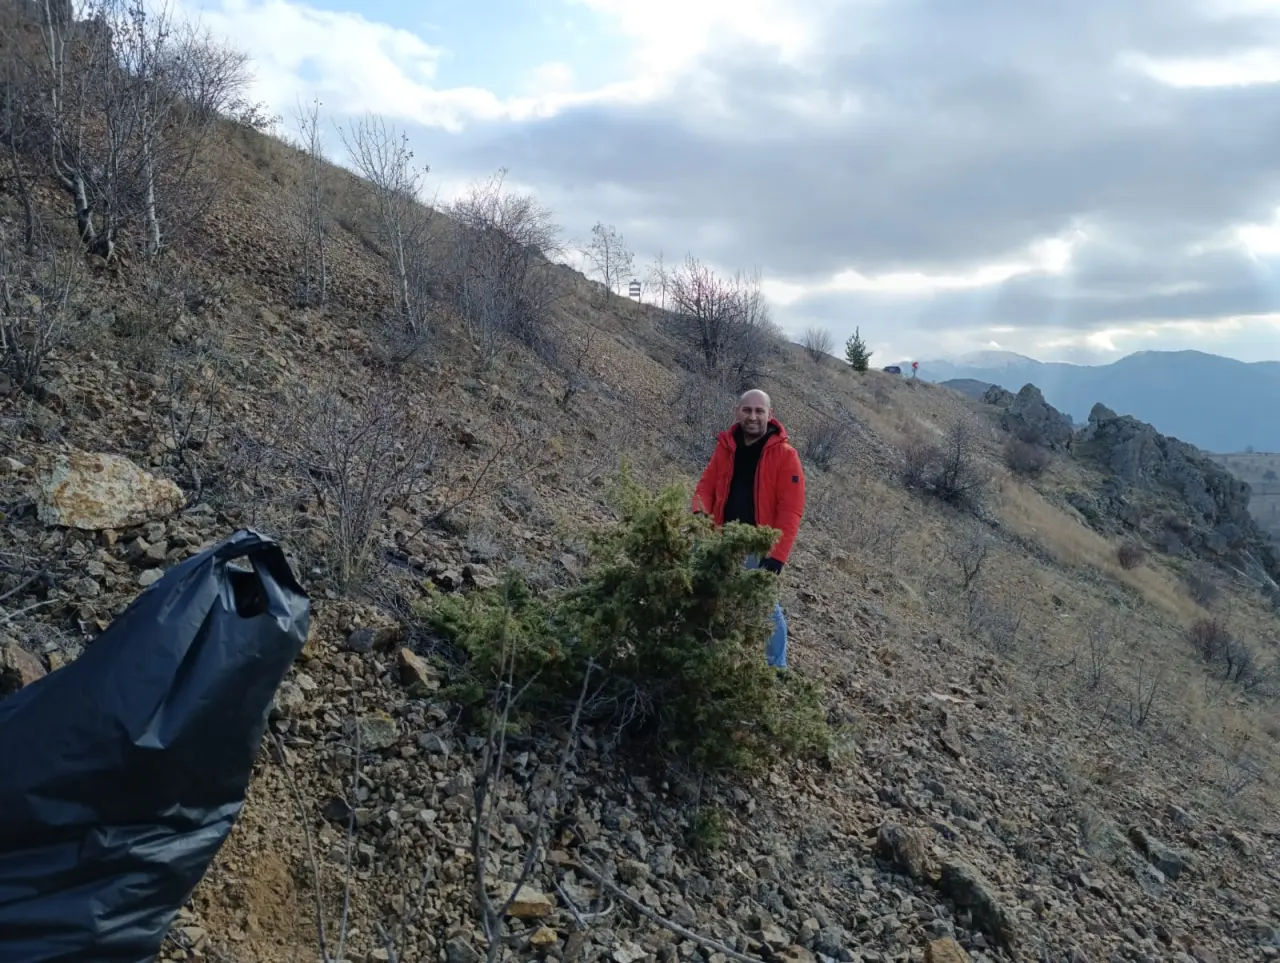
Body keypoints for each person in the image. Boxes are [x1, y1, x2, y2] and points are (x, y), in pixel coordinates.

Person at [692, 389, 806, 668]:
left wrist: (777, 556)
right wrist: (699, 519)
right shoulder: (727, 447)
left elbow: (790, 511)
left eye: (759, 411)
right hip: (720, 539)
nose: (753, 416)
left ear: (770, 415)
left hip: (757, 547)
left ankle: (776, 667)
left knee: (765, 606)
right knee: (708, 594)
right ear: (737, 412)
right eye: (747, 410)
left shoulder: (785, 456)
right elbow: (706, 487)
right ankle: (706, 654)